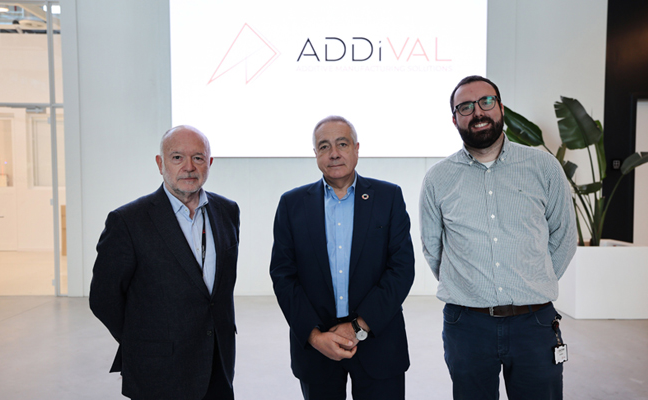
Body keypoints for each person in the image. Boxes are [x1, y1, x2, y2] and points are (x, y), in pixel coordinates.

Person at [419, 76, 577, 400]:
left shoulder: (543, 167)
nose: (478, 112)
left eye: (486, 102)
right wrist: (470, 286)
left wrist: (534, 280)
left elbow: (564, 236)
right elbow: (433, 248)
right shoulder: (438, 178)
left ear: (501, 108)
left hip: (534, 323)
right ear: (454, 119)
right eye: (465, 107)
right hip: (467, 326)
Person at [89, 125, 240, 400]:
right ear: (160, 164)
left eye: (198, 157)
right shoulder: (128, 221)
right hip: (158, 372)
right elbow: (103, 299)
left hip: (217, 366)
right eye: (177, 157)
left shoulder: (227, 212)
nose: (189, 167)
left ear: (209, 163)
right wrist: (144, 341)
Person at [269, 115, 415, 400]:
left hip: (379, 342)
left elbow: (401, 269)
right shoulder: (292, 204)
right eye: (324, 146)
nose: (334, 153)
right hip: (318, 348)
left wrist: (358, 326)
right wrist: (314, 337)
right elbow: (283, 276)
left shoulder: (388, 197)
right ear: (315, 153)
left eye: (342, 144)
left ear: (356, 148)